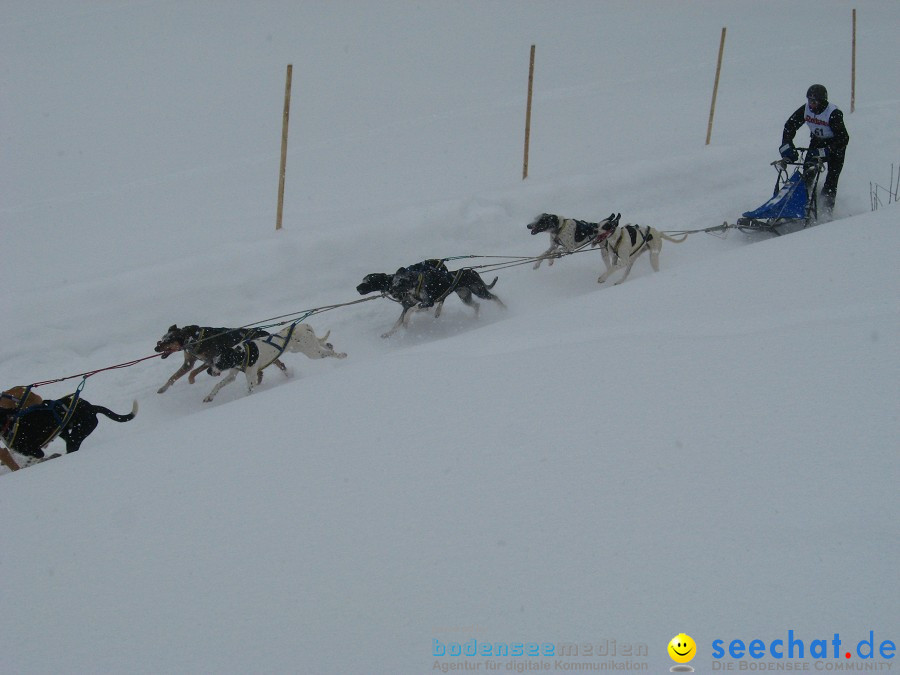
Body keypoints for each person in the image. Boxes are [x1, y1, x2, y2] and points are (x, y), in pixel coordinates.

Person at [779, 84, 849, 217]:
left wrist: (827, 150)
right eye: (809, 100)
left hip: (835, 146)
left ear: (822, 101)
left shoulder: (833, 113)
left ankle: (826, 213)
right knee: (807, 173)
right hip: (817, 141)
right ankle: (802, 207)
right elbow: (790, 126)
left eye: (814, 101)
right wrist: (787, 144)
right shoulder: (806, 110)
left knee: (831, 179)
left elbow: (844, 138)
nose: (811, 104)